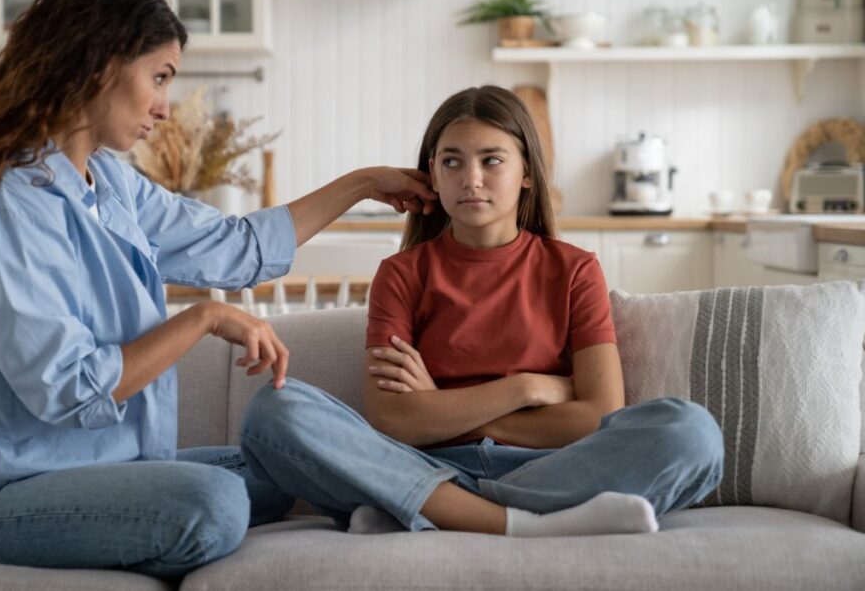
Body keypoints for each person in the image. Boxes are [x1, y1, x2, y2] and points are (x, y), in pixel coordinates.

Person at [0, 0, 436, 579]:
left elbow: (234, 248)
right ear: (99, 62)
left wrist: (364, 183)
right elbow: (69, 388)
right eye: (159, 77)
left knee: (280, 464)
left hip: (101, 472)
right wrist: (202, 318)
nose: (164, 107)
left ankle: (448, 500)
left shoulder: (112, 182)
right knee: (214, 502)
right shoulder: (4, 204)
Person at [239, 85, 724, 537]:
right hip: (425, 464)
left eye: (491, 160)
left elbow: (597, 414)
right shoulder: (402, 273)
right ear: (432, 173)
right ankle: (524, 523)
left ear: (527, 172)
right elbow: (392, 421)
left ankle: (430, 509)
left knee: (691, 431)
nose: (471, 179)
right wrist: (526, 388)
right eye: (452, 162)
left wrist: (447, 411)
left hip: (545, 468)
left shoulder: (575, 270)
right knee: (276, 411)